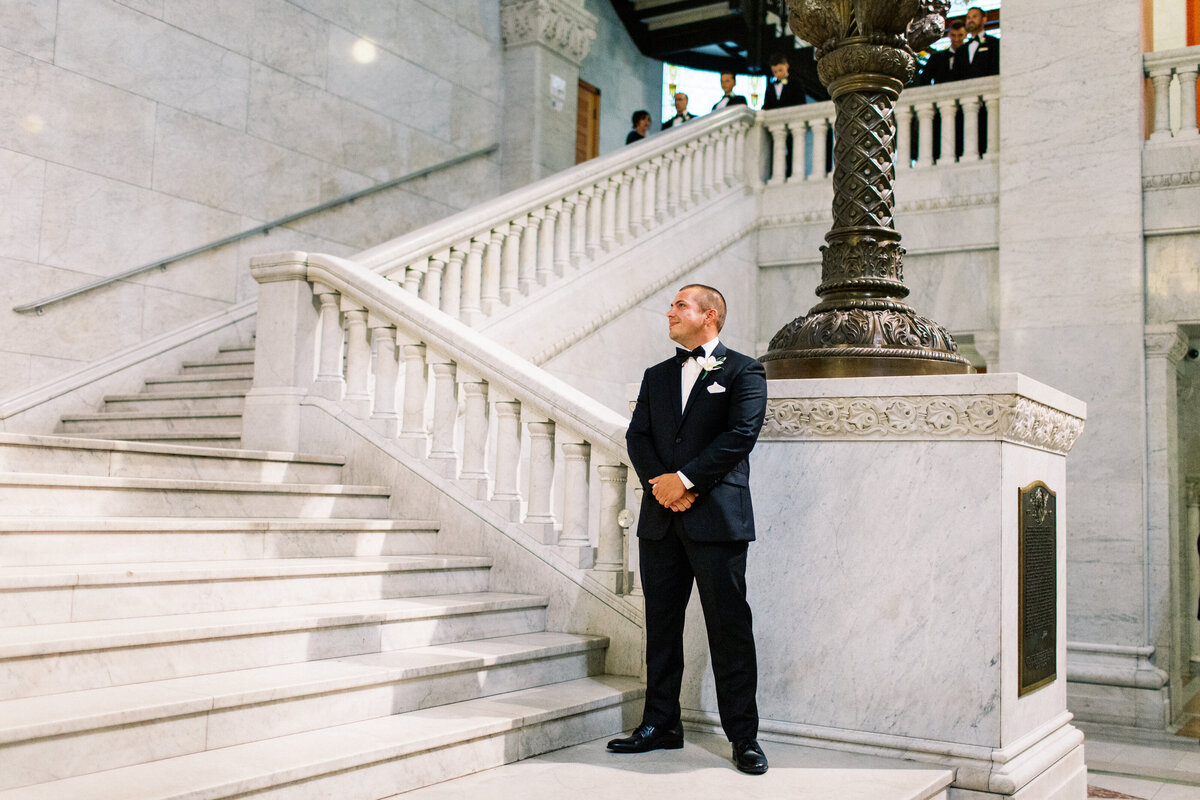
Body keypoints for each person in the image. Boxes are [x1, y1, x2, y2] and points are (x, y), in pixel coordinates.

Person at [610, 284, 769, 776]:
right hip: (661, 522)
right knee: (661, 626)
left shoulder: (745, 370)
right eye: (672, 305)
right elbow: (638, 436)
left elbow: (741, 435)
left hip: (716, 520)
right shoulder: (656, 375)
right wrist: (663, 487)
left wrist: (685, 480)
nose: (670, 312)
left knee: (729, 629)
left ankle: (743, 737)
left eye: (681, 305)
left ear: (711, 315)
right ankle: (661, 724)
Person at [916, 20, 967, 85]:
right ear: (949, 35)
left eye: (960, 35)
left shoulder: (970, 55)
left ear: (966, 34)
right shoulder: (936, 58)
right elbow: (924, 81)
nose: (956, 39)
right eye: (953, 35)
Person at [962, 6, 999, 78]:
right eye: (968, 18)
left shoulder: (994, 43)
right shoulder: (961, 50)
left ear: (984, 20)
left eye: (974, 17)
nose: (971, 20)